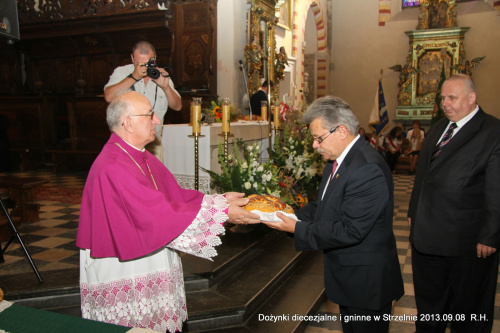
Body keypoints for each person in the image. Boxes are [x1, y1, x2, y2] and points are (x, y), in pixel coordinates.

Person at [76, 91, 260, 332]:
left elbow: (174, 198)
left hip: (146, 257)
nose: (157, 120)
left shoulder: (140, 156)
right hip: (126, 268)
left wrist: (217, 201)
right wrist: (222, 212)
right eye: (149, 115)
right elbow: (155, 215)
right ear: (128, 123)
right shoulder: (113, 165)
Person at [263, 96, 404, 333]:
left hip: (367, 283)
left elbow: (351, 229)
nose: (315, 145)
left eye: (318, 138)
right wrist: (289, 215)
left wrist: (296, 229)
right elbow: (324, 206)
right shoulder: (337, 160)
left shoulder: (367, 168)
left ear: (341, 131)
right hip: (351, 278)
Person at [408, 74, 500, 332]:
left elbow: (496, 189)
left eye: (452, 97)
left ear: (472, 98)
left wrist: (491, 236)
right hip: (427, 237)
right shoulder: (438, 128)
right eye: (442, 98)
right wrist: (414, 213)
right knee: (429, 307)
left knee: (468, 310)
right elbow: (423, 177)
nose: (445, 103)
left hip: (467, 243)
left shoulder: (493, 132)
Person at [104, 41, 182, 162]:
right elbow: (108, 96)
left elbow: (177, 106)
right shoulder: (122, 72)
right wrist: (134, 77)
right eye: (139, 63)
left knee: (154, 180)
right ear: (132, 58)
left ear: (155, 58)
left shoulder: (160, 75)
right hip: (127, 144)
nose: (145, 67)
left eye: (149, 62)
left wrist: (166, 87)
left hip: (153, 143)